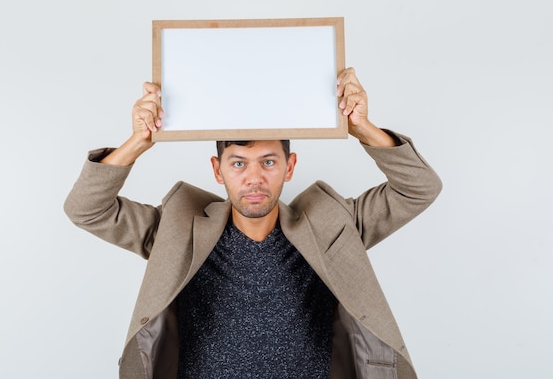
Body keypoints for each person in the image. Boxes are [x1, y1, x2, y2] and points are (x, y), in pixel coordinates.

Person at [64, 67, 442, 379]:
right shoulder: (179, 231)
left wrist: (363, 129)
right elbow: (87, 208)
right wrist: (136, 142)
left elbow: (419, 189)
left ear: (289, 167)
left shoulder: (333, 226)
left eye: (269, 161)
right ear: (218, 170)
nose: (254, 178)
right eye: (239, 163)